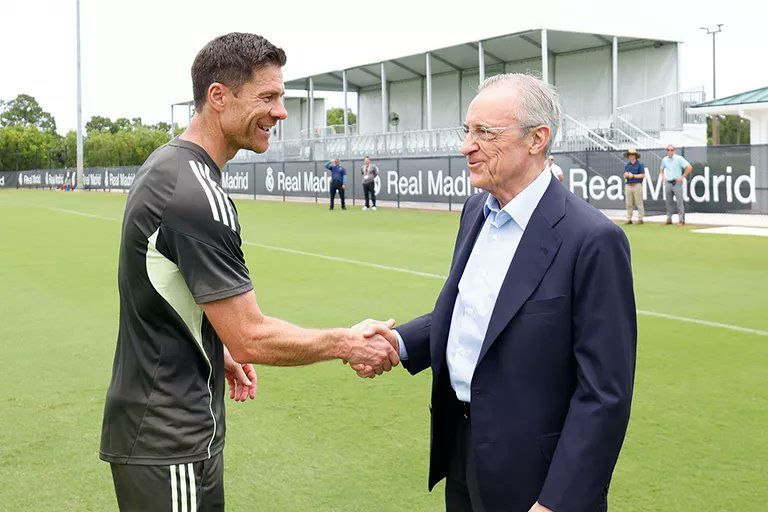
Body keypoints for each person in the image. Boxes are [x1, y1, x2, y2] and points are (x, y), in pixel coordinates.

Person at [99, 33, 399, 512]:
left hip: (159, 431)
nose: (280, 112)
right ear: (219, 96)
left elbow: (161, 291)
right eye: (268, 97)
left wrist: (210, 347)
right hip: (170, 439)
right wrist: (347, 343)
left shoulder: (167, 165)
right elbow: (250, 337)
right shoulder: (194, 193)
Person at [358, 74, 637, 512]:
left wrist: (558, 502)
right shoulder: (476, 211)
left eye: (485, 132)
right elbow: (473, 313)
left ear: (537, 139)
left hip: (536, 478)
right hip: (462, 451)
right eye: (467, 130)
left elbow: (605, 393)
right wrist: (398, 341)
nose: (467, 146)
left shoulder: (593, 239)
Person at [659, 145, 693, 226]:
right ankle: (669, 219)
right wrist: (663, 177)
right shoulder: (664, 160)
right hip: (668, 182)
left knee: (679, 202)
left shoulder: (679, 158)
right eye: (668, 150)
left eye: (671, 150)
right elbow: (661, 169)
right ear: (666, 151)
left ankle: (681, 220)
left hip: (676, 183)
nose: (670, 151)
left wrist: (682, 176)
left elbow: (689, 167)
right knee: (668, 202)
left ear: (674, 151)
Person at [623, 148, 645, 224]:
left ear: (635, 155)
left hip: (637, 185)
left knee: (639, 203)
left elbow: (642, 175)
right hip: (628, 185)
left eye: (632, 154)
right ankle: (629, 219)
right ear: (628, 156)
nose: (631, 156)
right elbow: (625, 174)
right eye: (630, 155)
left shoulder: (640, 164)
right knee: (628, 203)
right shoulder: (627, 165)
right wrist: (625, 175)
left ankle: (640, 218)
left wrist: (633, 176)